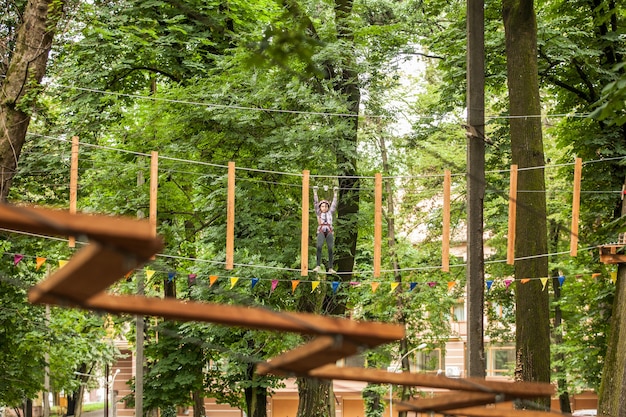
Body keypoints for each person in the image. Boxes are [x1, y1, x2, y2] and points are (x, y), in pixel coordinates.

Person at [313, 185, 338, 274]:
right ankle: (318, 266)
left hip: (329, 231)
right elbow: (315, 203)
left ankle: (330, 268)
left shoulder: (330, 212)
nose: (324, 208)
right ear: (320, 208)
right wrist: (315, 192)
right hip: (321, 230)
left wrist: (335, 193)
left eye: (325, 206)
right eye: (322, 206)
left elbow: (334, 204)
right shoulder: (318, 212)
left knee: (330, 248)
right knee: (319, 246)